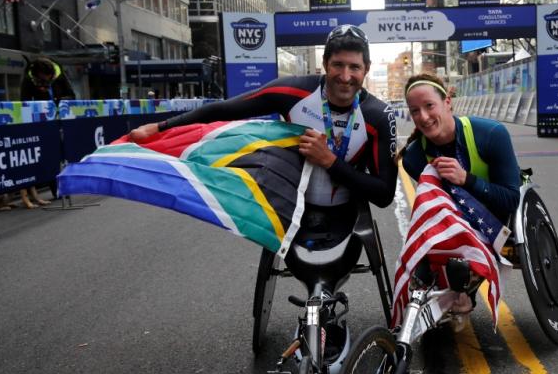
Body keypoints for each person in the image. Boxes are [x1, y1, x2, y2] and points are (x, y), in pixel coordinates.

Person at [129, 24, 397, 246]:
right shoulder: (294, 92)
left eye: (354, 67)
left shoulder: (378, 116)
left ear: (366, 69)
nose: (345, 76)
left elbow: (384, 195)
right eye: (337, 65)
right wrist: (161, 127)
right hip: (292, 209)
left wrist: (330, 161)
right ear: (325, 63)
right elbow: (224, 110)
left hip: (345, 213)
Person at [397, 73, 521, 328]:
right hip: (453, 221)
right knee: (420, 265)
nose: (423, 117)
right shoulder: (413, 158)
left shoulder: (491, 134)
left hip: (495, 219)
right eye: (415, 111)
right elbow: (436, 207)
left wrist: (467, 179)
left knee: (458, 269)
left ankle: (463, 293)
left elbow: (510, 200)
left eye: (429, 106)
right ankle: (448, 293)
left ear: (448, 102)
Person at [19, 57, 76, 208]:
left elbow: (71, 95)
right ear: (38, 74)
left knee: (61, 153)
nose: (48, 80)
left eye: (50, 77)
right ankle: (57, 189)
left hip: (60, 119)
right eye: (45, 78)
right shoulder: (29, 80)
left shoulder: (58, 75)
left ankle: (64, 186)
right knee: (49, 155)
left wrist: (58, 101)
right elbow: (23, 102)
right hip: (42, 123)